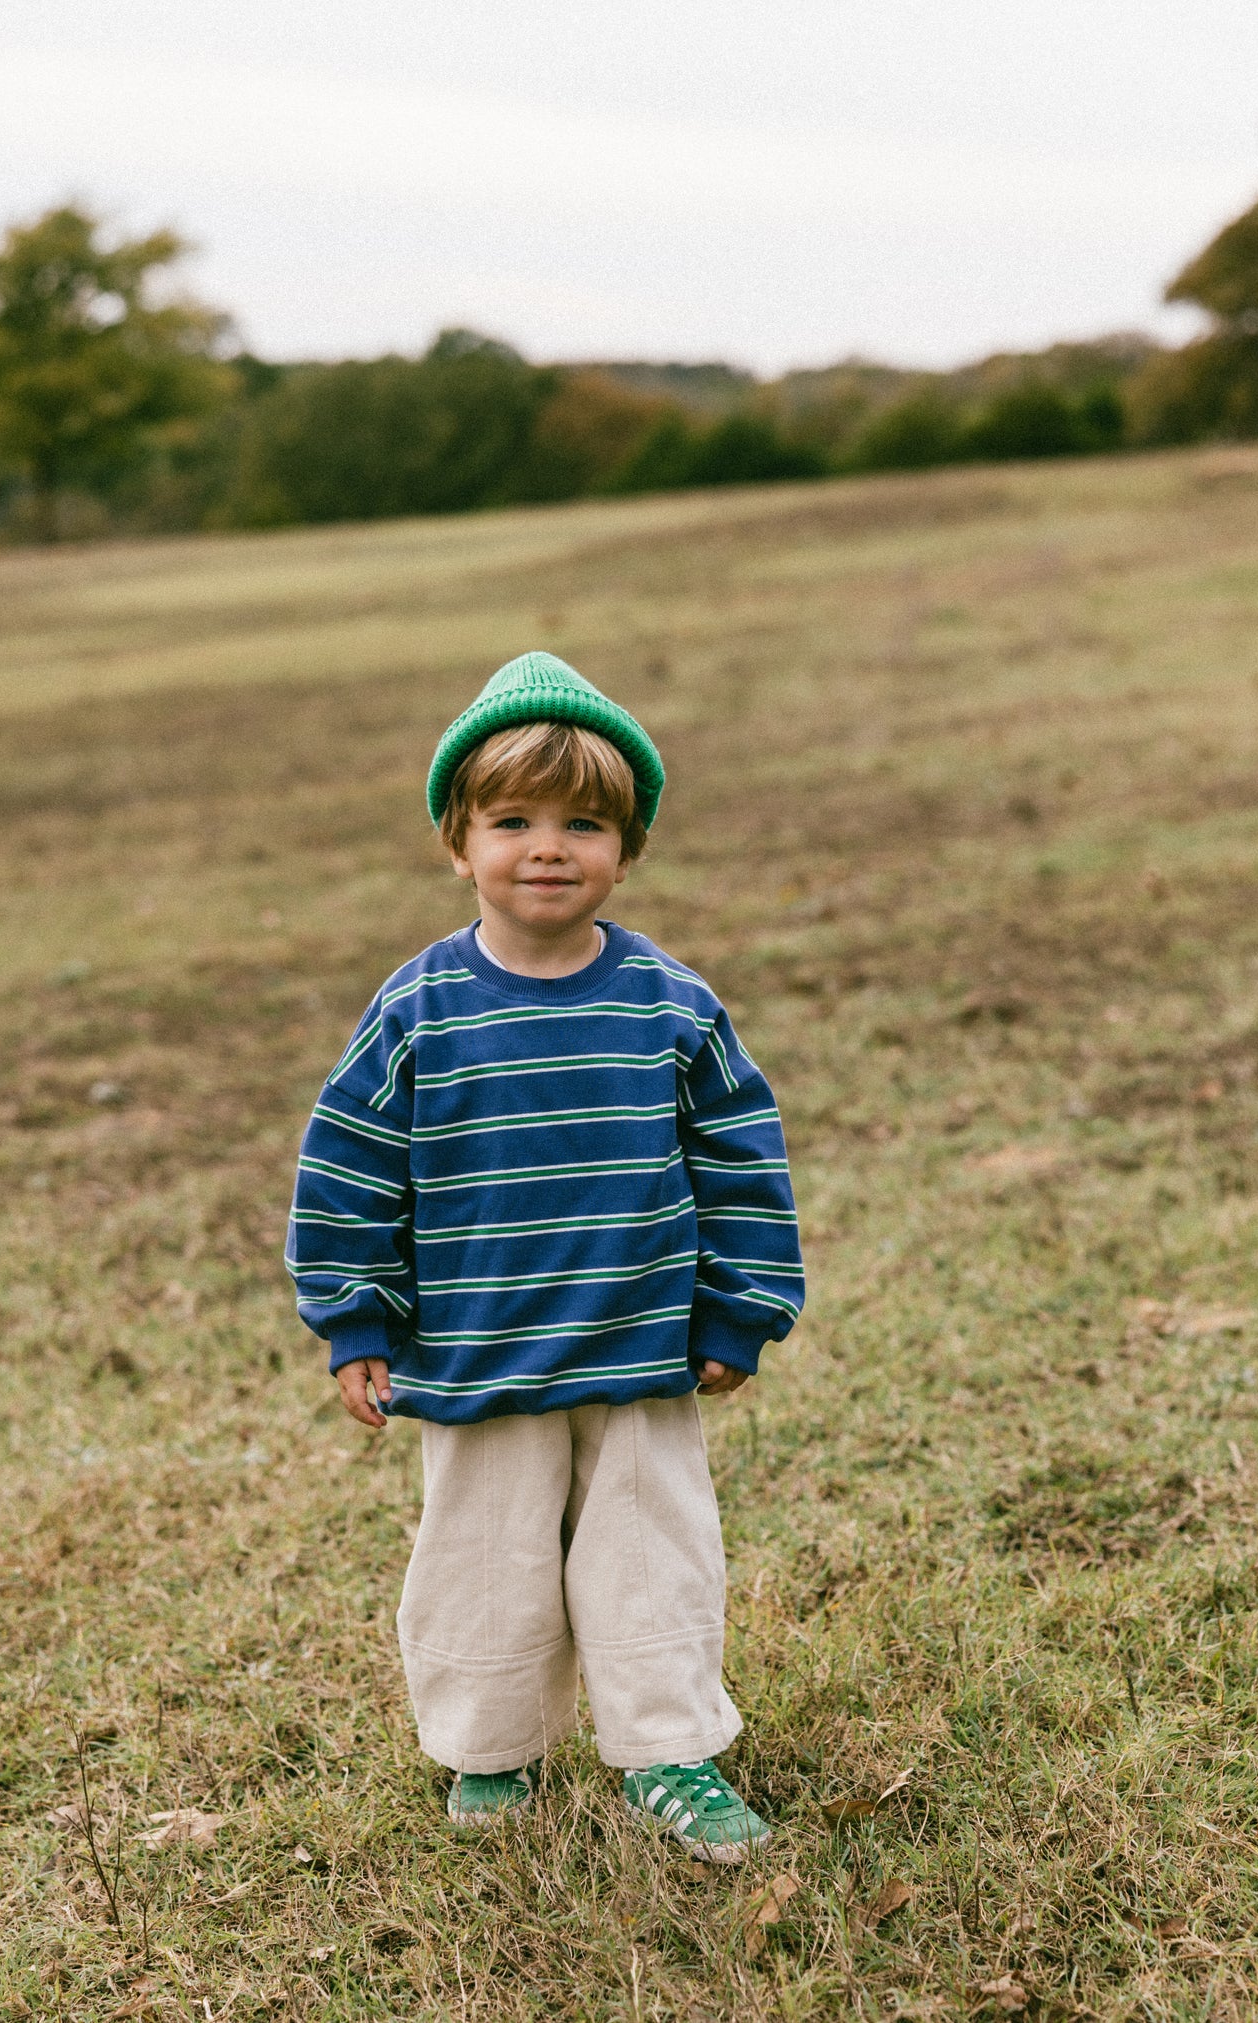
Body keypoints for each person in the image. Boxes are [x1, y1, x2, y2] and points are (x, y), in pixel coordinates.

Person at [287, 651, 804, 1862]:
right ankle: (491, 1752)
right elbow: (350, 1168)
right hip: (478, 1343)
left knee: (650, 1558)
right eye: (510, 820)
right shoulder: (416, 1010)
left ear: (627, 849)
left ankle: (667, 1750)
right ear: (456, 842)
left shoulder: (667, 1002)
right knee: (483, 1556)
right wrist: (357, 1320)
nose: (547, 847)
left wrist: (739, 1311)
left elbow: (741, 1161)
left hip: (639, 1340)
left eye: (584, 822)